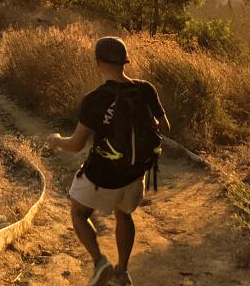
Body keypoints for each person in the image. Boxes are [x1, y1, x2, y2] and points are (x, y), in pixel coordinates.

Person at [46, 36, 168, 286]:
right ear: (125, 62)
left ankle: (100, 262)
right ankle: (122, 272)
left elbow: (77, 144)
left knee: (79, 213)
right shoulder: (146, 89)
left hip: (102, 175)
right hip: (135, 172)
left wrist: (57, 140)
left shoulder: (94, 99)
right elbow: (164, 126)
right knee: (123, 214)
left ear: (98, 62)